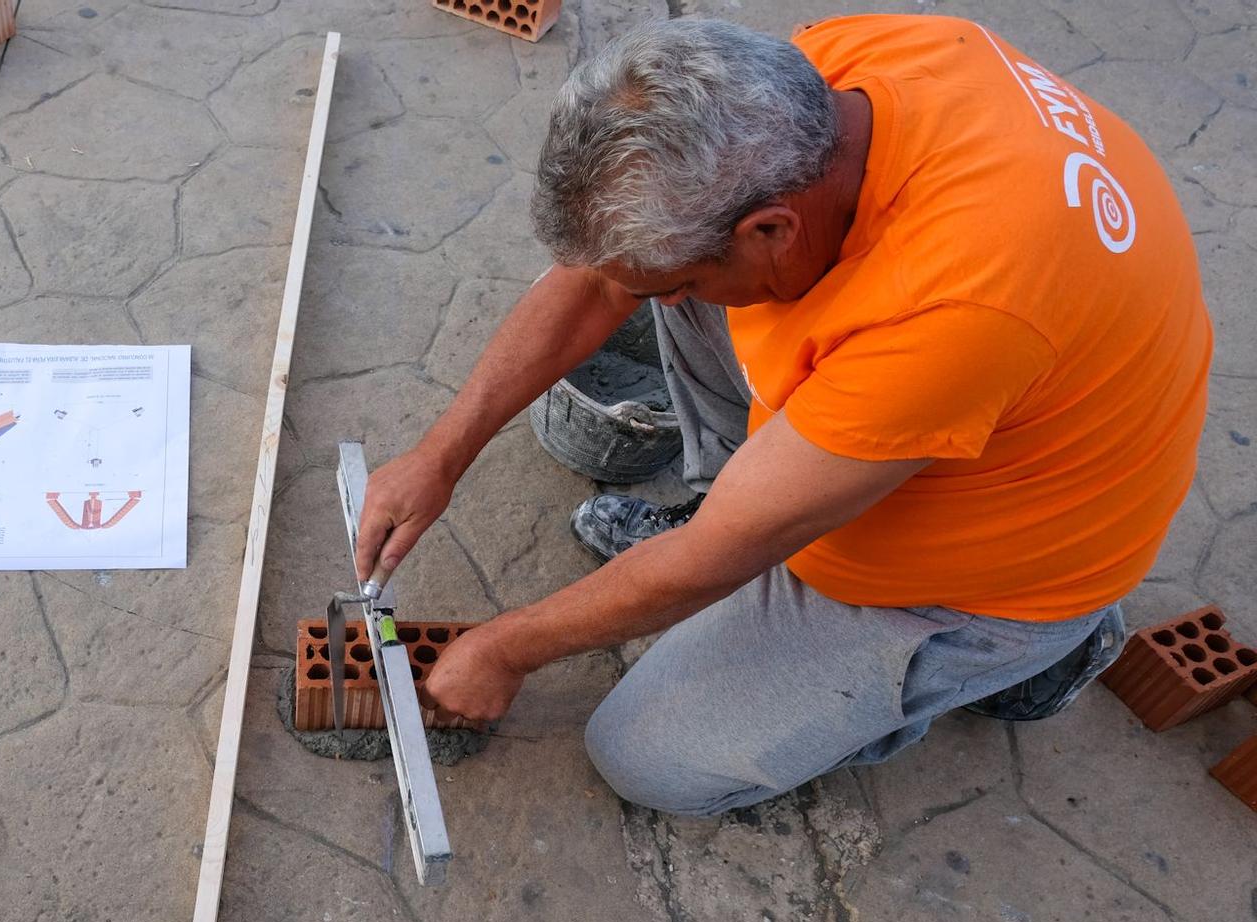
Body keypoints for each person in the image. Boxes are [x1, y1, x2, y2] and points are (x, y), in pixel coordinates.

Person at [351, 14, 1211, 817]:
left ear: (770, 230)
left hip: (1000, 572)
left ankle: (1031, 660)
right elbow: (604, 278)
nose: (657, 303)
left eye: (676, 283)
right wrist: (442, 452)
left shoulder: (958, 307)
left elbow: (713, 556)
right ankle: (766, 485)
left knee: (644, 757)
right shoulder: (821, 85)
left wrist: (503, 649)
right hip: (939, 399)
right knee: (669, 279)